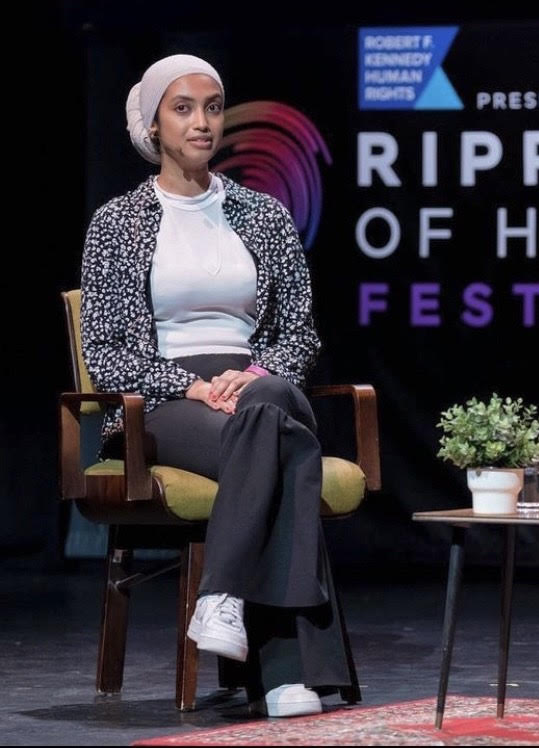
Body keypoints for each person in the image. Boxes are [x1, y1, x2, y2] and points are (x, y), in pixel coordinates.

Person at [81, 54, 350, 718]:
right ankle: (286, 674)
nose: (202, 122)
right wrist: (191, 387)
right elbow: (106, 352)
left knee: (268, 411)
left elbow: (300, 334)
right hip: (163, 403)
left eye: (212, 106)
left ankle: (221, 596)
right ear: (151, 124)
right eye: (183, 108)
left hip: (255, 386)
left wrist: (253, 375)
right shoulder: (117, 223)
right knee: (285, 445)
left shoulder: (263, 215)